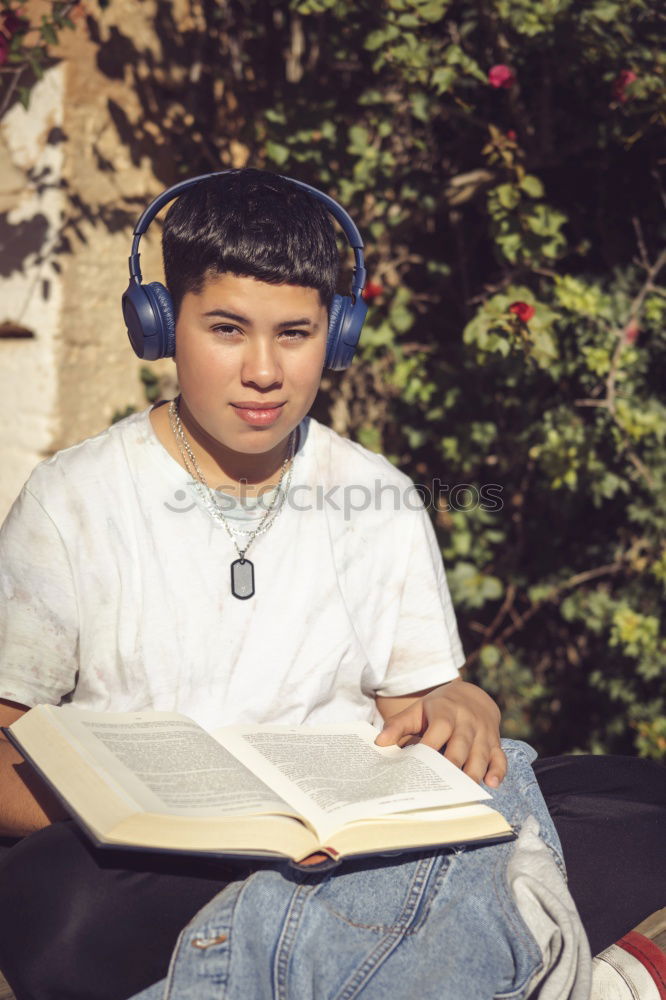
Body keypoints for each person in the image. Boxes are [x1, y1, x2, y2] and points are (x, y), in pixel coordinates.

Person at [0, 169, 658, 1000]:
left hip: (354, 844)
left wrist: (465, 706)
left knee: (641, 806)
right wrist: (123, 807)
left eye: (297, 334)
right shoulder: (72, 499)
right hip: (156, 860)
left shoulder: (375, 493)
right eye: (228, 329)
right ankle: (498, 957)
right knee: (56, 911)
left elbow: (427, 703)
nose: (264, 370)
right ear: (161, 324)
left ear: (338, 337)